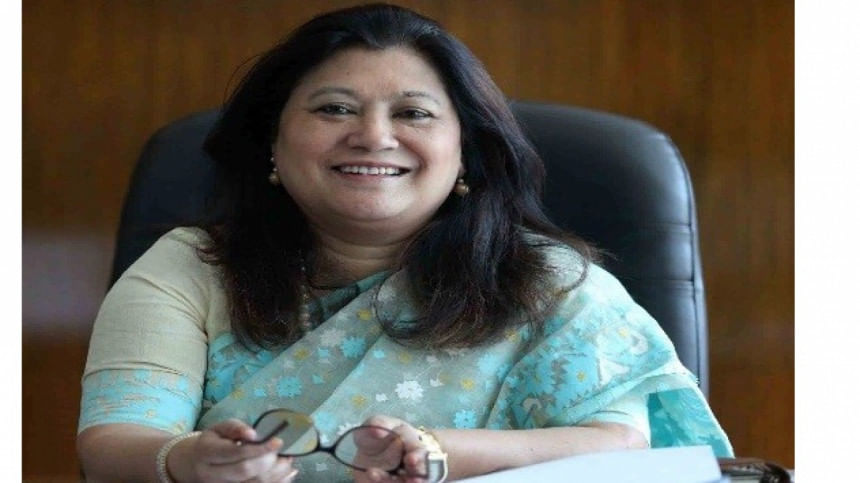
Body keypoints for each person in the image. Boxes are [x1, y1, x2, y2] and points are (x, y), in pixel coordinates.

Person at [77, 3, 732, 482]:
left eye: (413, 113)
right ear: (273, 142)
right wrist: (185, 461)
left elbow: (641, 445)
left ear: (465, 152)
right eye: (334, 108)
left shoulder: (551, 284)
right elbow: (114, 442)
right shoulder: (191, 267)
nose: (373, 136)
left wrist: (440, 453)